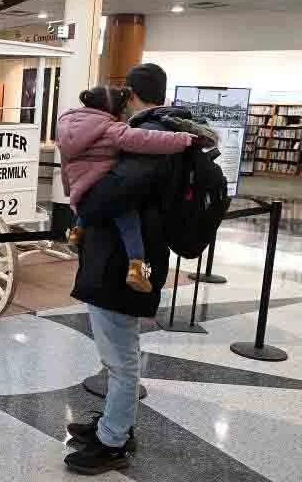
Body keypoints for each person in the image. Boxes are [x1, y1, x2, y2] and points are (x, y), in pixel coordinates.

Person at [63, 63, 215, 475]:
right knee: (119, 353)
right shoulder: (166, 132)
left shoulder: (154, 136)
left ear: (130, 93)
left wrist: (82, 202)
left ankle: (113, 440)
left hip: (124, 265)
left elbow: (104, 200)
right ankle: (114, 424)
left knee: (122, 358)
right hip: (126, 258)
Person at [56, 85, 194, 292]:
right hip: (104, 184)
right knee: (128, 218)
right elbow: (145, 140)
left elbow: (66, 163)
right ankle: (136, 266)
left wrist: (71, 192)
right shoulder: (110, 128)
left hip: (81, 187)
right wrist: (184, 140)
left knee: (89, 195)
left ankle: (76, 232)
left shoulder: (65, 124)